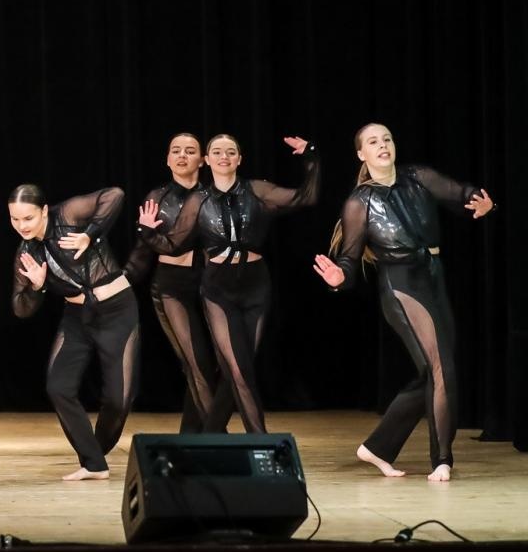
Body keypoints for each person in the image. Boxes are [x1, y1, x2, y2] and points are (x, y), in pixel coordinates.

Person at [312, 122, 493, 481]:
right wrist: (340, 278)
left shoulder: (418, 176)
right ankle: (442, 458)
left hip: (434, 275)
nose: (383, 146)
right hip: (401, 283)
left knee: (433, 370)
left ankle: (377, 447)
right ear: (362, 154)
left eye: (387, 139)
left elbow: (457, 191)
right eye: (373, 142)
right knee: (443, 369)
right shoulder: (359, 201)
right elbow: (349, 257)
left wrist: (479, 200)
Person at [137, 134, 318, 433]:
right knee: (238, 369)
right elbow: (174, 245)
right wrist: (147, 232)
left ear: (239, 159)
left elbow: (305, 197)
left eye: (231, 151)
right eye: (217, 152)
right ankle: (261, 443)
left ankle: (209, 436)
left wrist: (310, 156)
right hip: (218, 289)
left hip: (256, 285)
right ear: (207, 160)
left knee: (243, 366)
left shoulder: (257, 190)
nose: (224, 156)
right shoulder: (199, 200)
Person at [9, 184, 138, 479]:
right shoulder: (27, 252)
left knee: (119, 400)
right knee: (58, 387)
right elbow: (21, 308)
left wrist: (89, 233)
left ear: (43, 211)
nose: (22, 226)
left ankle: (97, 453)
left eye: (28, 218)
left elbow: (115, 194)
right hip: (77, 316)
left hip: (118, 310)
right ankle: (94, 464)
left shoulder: (66, 215)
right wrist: (38, 285)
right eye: (15, 220)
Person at [124, 133, 229, 431]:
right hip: (172, 288)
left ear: (203, 160)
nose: (182, 155)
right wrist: (121, 282)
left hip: (212, 285)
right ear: (168, 159)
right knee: (197, 364)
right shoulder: (157, 198)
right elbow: (143, 252)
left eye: (190, 150)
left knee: (222, 367)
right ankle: (217, 438)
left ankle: (192, 436)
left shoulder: (215, 196)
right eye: (176, 150)